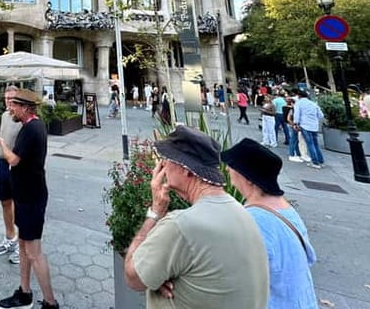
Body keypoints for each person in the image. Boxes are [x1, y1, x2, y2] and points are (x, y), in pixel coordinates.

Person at [124, 125, 269, 309]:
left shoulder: (180, 226)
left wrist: (154, 213)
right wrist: (160, 273)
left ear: (186, 169)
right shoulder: (243, 214)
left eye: (167, 159)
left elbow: (133, 277)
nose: (162, 165)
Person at [222, 138, 318, 308]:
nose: (227, 169)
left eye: (232, 165)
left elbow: (232, 278)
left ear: (247, 177)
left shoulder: (253, 220)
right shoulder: (286, 210)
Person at [0, 89, 59, 309]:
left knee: (34, 252)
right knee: (23, 245)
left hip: (31, 198)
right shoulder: (32, 125)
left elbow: (13, 160)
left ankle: (50, 303)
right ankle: (24, 293)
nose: (10, 108)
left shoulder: (31, 129)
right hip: (25, 196)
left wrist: (3, 146)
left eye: (14, 105)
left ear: (25, 107)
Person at [0, 86, 23, 264]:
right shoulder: (4, 116)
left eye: (12, 98)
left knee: (19, 204)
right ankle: (10, 237)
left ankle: (21, 244)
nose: (9, 101)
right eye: (6, 98)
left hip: (16, 165)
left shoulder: (22, 119)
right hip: (2, 163)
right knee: (5, 201)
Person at [293, 89, 325, 169]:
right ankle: (321, 161)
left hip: (305, 125)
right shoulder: (313, 104)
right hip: (314, 126)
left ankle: (315, 162)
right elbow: (321, 115)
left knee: (310, 144)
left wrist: (296, 123)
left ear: (299, 96)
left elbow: (296, 114)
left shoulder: (299, 103)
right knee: (315, 144)